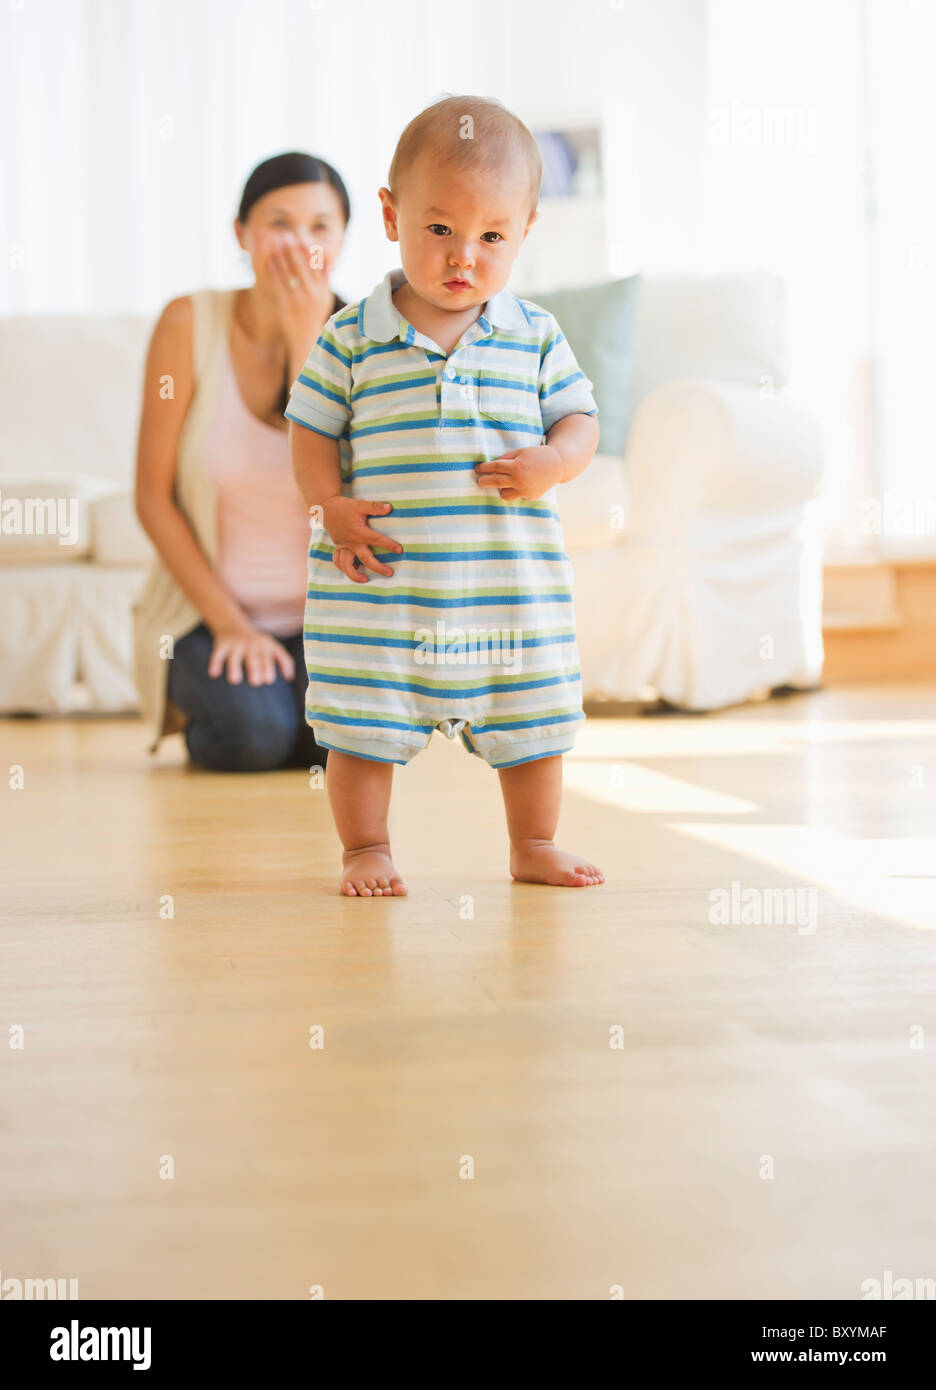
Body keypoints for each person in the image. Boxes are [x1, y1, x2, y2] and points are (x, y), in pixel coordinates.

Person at [287, 97, 606, 895]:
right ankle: (367, 849)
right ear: (392, 217)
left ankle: (532, 842)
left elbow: (580, 420)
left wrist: (554, 462)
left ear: (524, 231)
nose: (465, 256)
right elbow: (310, 430)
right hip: (382, 588)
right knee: (360, 726)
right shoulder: (351, 336)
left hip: (505, 592)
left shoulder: (534, 334)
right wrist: (328, 503)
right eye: (440, 230)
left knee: (532, 727)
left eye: (491, 237)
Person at [133, 152, 349, 771]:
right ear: (241, 235)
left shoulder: (364, 337)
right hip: (209, 615)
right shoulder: (188, 322)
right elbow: (151, 496)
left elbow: (345, 488)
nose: (299, 244)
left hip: (324, 622)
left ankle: (281, 700)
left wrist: (308, 334)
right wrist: (231, 626)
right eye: (279, 223)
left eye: (320, 227)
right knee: (252, 738)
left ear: (342, 239)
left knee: (331, 745)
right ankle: (223, 698)